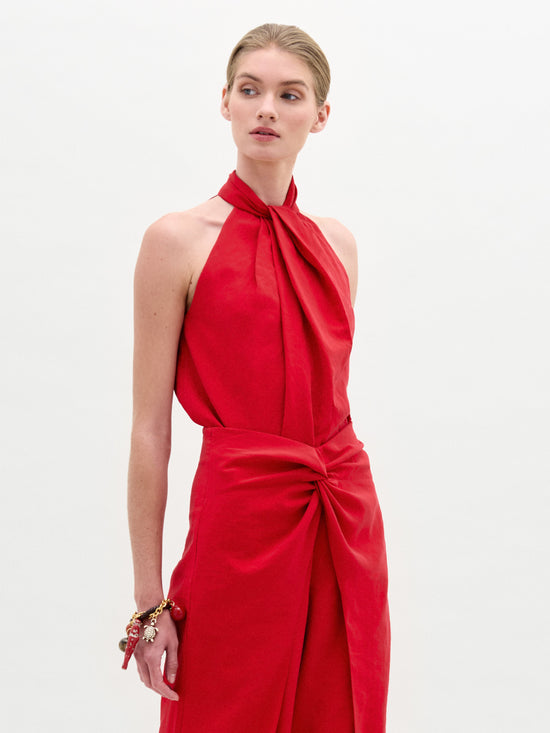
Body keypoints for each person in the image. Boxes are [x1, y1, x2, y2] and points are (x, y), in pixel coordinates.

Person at [125, 22, 390, 733]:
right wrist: (150, 605)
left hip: (343, 516)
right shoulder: (176, 240)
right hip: (237, 524)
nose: (267, 108)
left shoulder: (338, 245)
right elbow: (150, 428)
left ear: (320, 115)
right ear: (226, 103)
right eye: (251, 90)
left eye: (288, 93)